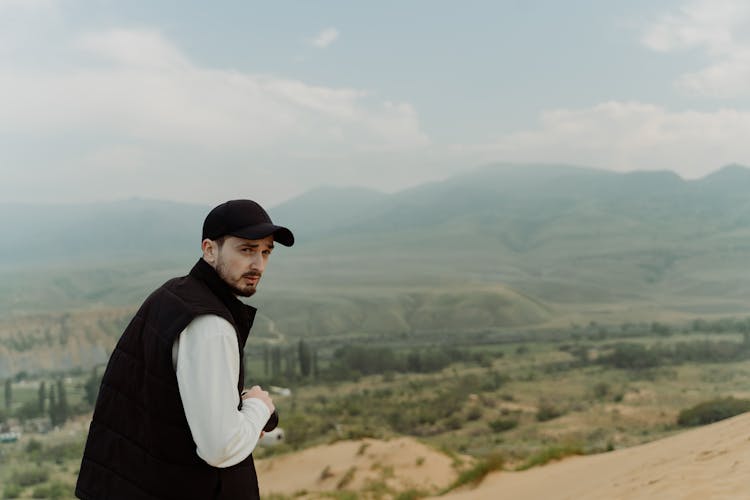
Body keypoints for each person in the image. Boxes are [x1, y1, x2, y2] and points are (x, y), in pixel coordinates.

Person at [75, 199, 294, 500]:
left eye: (266, 251)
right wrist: (259, 408)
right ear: (209, 249)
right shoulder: (209, 325)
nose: (258, 264)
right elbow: (219, 447)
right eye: (246, 249)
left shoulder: (173, 296)